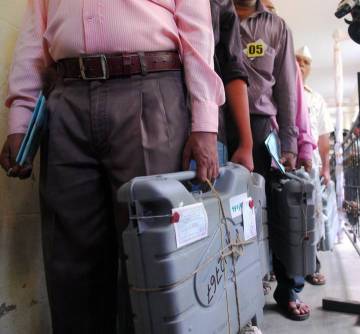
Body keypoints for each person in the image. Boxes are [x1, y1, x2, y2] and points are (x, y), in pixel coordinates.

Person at [0, 1, 224, 333]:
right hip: (67, 98)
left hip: (151, 91)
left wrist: (205, 123)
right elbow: (34, 35)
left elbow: (197, 29)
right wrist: (21, 116)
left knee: (152, 254)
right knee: (70, 261)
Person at [231, 0, 311, 321]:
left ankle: (289, 289)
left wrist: (290, 142)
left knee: (281, 210)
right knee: (232, 213)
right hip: (220, 124)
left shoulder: (276, 27)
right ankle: (237, 290)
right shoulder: (213, 14)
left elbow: (288, 88)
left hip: (264, 127)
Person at [296, 46, 336, 286]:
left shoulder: (316, 99)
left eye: (306, 62)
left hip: (311, 165)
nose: (301, 65)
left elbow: (323, 138)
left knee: (311, 216)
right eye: (297, 60)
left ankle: (311, 266)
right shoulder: (278, 89)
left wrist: (326, 169)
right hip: (285, 163)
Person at [211, 0, 254, 171]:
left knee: (205, 195)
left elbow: (233, 68)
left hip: (213, 127)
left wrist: (246, 143)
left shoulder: (221, 5)